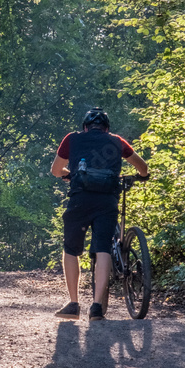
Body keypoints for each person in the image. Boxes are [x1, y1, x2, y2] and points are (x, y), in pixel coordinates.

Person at [50, 107, 149, 321]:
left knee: (71, 249)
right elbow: (143, 167)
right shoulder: (117, 141)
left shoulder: (72, 139)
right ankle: (96, 307)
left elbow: (56, 171)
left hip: (80, 199)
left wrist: (69, 175)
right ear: (107, 128)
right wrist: (142, 176)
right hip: (107, 201)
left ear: (85, 127)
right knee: (103, 247)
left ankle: (73, 304)